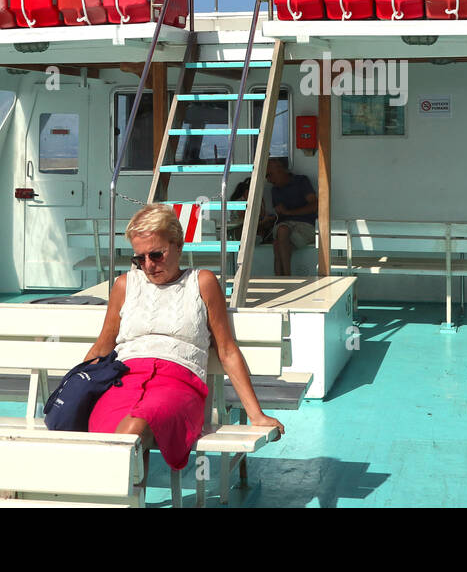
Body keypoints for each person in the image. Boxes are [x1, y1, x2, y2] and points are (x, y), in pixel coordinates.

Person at [85, 203, 283, 472]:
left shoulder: (202, 283)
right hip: (125, 380)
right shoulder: (124, 285)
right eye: (139, 259)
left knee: (134, 426)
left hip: (178, 384)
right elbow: (102, 347)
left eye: (156, 254)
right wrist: (75, 393)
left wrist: (255, 414)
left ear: (178, 245)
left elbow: (226, 350)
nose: (148, 266)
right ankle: (131, 498)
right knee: (117, 430)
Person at [257, 157, 317, 276]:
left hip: (306, 225)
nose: (268, 180)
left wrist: (290, 213)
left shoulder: (301, 181)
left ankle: (285, 278)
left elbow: (315, 205)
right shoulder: (275, 190)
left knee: (279, 240)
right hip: (284, 228)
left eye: (269, 175)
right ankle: (284, 279)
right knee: (280, 236)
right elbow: (281, 215)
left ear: (279, 170)